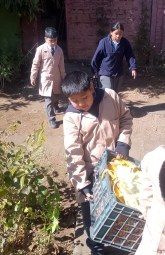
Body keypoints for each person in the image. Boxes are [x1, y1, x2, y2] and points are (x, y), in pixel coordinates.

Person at [61, 70, 133, 255]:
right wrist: (83, 185)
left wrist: (123, 144)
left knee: (115, 209)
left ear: (92, 88)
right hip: (89, 173)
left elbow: (125, 118)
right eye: (74, 100)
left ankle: (116, 241)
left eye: (84, 98)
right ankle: (96, 248)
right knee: (91, 218)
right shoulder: (71, 118)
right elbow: (73, 153)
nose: (80, 104)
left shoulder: (110, 97)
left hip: (113, 167)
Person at [30, 27, 65, 129]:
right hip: (45, 78)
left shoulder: (59, 50)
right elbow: (35, 64)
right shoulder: (40, 49)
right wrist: (33, 77)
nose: (53, 43)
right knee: (48, 99)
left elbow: (61, 66)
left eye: (55, 40)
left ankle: (56, 104)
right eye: (51, 40)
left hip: (57, 77)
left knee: (57, 95)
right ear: (45, 39)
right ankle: (52, 119)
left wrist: (64, 77)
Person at [91, 21, 137, 93]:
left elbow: (130, 55)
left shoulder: (124, 43)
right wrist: (94, 71)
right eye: (116, 33)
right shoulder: (104, 42)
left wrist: (133, 68)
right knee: (108, 92)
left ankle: (113, 104)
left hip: (118, 73)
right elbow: (96, 57)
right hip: (105, 72)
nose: (118, 36)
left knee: (115, 94)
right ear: (111, 32)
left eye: (121, 34)